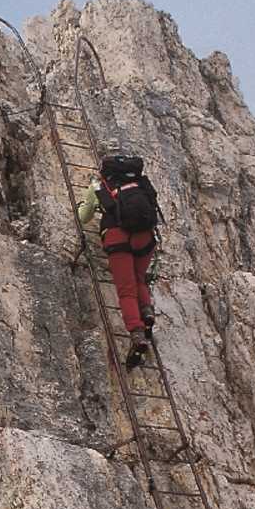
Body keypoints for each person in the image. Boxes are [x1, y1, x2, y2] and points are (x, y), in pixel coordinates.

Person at [77, 153, 159, 366]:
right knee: (139, 278)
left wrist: (81, 206)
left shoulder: (99, 185)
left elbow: (84, 217)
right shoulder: (139, 183)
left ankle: (137, 334)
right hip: (145, 237)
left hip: (118, 238)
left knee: (126, 290)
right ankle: (147, 312)